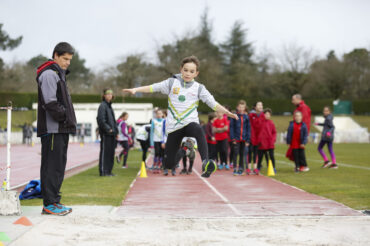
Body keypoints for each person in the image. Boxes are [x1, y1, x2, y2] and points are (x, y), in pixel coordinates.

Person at [123, 56, 237, 178]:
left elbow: (213, 104)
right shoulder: (171, 83)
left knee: (198, 129)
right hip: (173, 128)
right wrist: (136, 89)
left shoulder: (199, 88)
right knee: (168, 165)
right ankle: (185, 149)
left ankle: (205, 162)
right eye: (186, 70)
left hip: (189, 124)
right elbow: (153, 87)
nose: (188, 73)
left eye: (192, 71)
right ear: (181, 69)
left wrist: (227, 113)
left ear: (196, 73)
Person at [36, 42, 76, 215]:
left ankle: (54, 201)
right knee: (52, 167)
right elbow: (50, 103)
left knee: (58, 166)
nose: (67, 63)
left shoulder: (59, 74)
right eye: (65, 59)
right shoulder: (49, 74)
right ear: (56, 55)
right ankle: (49, 204)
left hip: (61, 129)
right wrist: (66, 118)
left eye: (70, 60)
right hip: (53, 129)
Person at [97, 88, 118, 176]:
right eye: (108, 94)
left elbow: (113, 120)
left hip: (112, 134)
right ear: (104, 95)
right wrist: (108, 129)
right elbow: (101, 120)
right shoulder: (102, 106)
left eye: (111, 94)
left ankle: (109, 171)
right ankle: (103, 171)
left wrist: (116, 132)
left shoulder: (110, 106)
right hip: (106, 134)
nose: (109, 96)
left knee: (110, 153)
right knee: (105, 152)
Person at [229, 100, 250, 176]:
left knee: (242, 154)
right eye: (240, 107)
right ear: (237, 107)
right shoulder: (234, 116)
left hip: (244, 139)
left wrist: (248, 139)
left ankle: (241, 168)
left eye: (243, 107)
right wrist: (233, 138)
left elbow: (248, 129)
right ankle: (235, 168)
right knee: (235, 153)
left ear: (244, 108)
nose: (241, 108)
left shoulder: (246, 117)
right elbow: (231, 127)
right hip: (236, 139)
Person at [248, 101, 265, 175]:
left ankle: (255, 168)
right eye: (259, 105)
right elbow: (250, 126)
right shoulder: (251, 115)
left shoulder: (263, 115)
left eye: (261, 105)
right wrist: (250, 136)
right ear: (255, 107)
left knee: (256, 152)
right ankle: (248, 168)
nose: (261, 106)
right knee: (250, 151)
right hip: (252, 136)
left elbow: (262, 127)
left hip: (259, 137)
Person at [150, 109, 166, 173]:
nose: (159, 115)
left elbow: (165, 132)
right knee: (156, 153)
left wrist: (164, 141)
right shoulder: (153, 121)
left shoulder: (164, 121)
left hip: (162, 141)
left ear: (162, 114)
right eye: (157, 114)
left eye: (160, 113)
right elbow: (151, 132)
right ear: (156, 115)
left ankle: (159, 166)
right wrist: (151, 143)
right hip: (155, 140)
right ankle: (155, 166)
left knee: (161, 154)